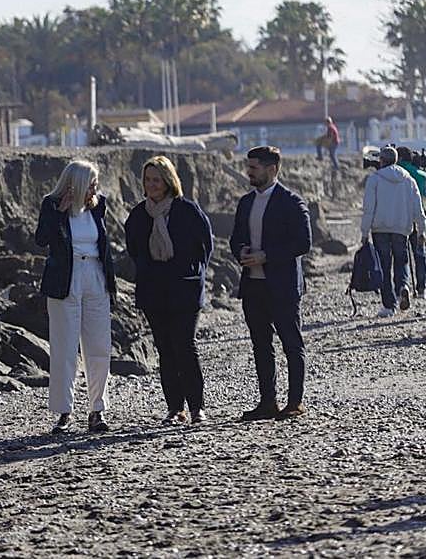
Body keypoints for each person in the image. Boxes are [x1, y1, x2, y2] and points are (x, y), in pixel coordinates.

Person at [124, 155, 213, 425]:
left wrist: (192, 272)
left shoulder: (187, 210)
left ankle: (197, 408)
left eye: (157, 179)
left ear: (168, 181)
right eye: (148, 180)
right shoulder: (139, 215)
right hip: (154, 291)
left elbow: (206, 246)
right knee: (165, 349)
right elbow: (133, 250)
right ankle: (175, 408)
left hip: (184, 289)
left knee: (185, 346)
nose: (152, 185)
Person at [229, 146, 312, 421]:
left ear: (272, 169)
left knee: (291, 343)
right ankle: (268, 402)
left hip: (283, 285)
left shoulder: (291, 201)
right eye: (248, 166)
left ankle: (295, 401)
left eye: (254, 167)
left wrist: (267, 256)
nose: (248, 172)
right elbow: (235, 238)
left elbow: (303, 243)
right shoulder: (246, 202)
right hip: (253, 286)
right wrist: (240, 251)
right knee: (260, 345)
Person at [34, 159, 116, 434]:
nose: (95, 188)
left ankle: (97, 409)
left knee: (98, 345)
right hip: (64, 279)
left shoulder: (99, 205)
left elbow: (105, 246)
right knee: (64, 347)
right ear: (78, 184)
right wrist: (60, 212)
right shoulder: (51, 204)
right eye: (91, 183)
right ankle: (63, 412)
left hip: (95, 275)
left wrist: (111, 284)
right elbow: (41, 240)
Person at [361, 145, 426, 315]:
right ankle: (402, 287)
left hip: (380, 228)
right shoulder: (408, 180)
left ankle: (389, 306)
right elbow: (417, 207)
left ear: (381, 161)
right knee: (401, 261)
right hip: (401, 228)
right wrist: (421, 229)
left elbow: (368, 208)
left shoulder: (374, 179)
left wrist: (364, 232)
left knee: (384, 265)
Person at [397, 146, 426, 301]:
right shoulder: (420, 174)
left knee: (401, 256)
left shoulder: (395, 172)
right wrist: (423, 173)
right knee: (419, 255)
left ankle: (402, 286)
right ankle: (421, 289)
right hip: (416, 218)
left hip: (398, 220)